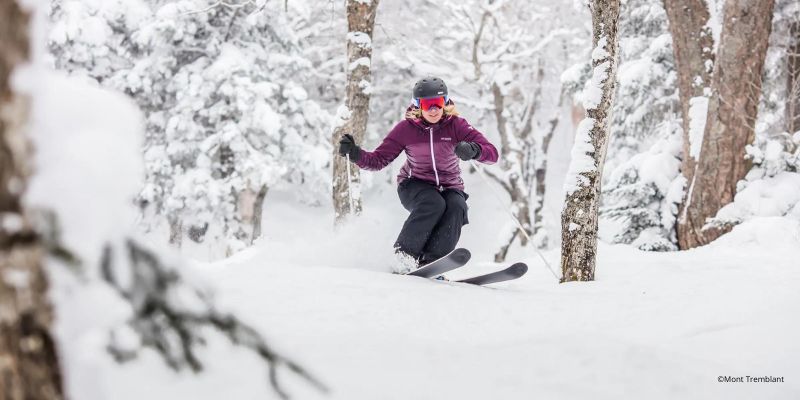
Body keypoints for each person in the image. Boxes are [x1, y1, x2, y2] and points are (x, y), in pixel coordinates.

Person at [338, 77, 499, 274]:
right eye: (427, 105)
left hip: (450, 185)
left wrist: (474, 150)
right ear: (418, 105)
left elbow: (492, 154)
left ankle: (432, 262)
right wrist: (355, 153)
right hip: (414, 184)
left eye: (438, 104)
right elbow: (377, 160)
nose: (434, 110)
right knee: (433, 203)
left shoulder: (457, 126)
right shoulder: (406, 130)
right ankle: (404, 256)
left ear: (445, 103)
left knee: (457, 207)